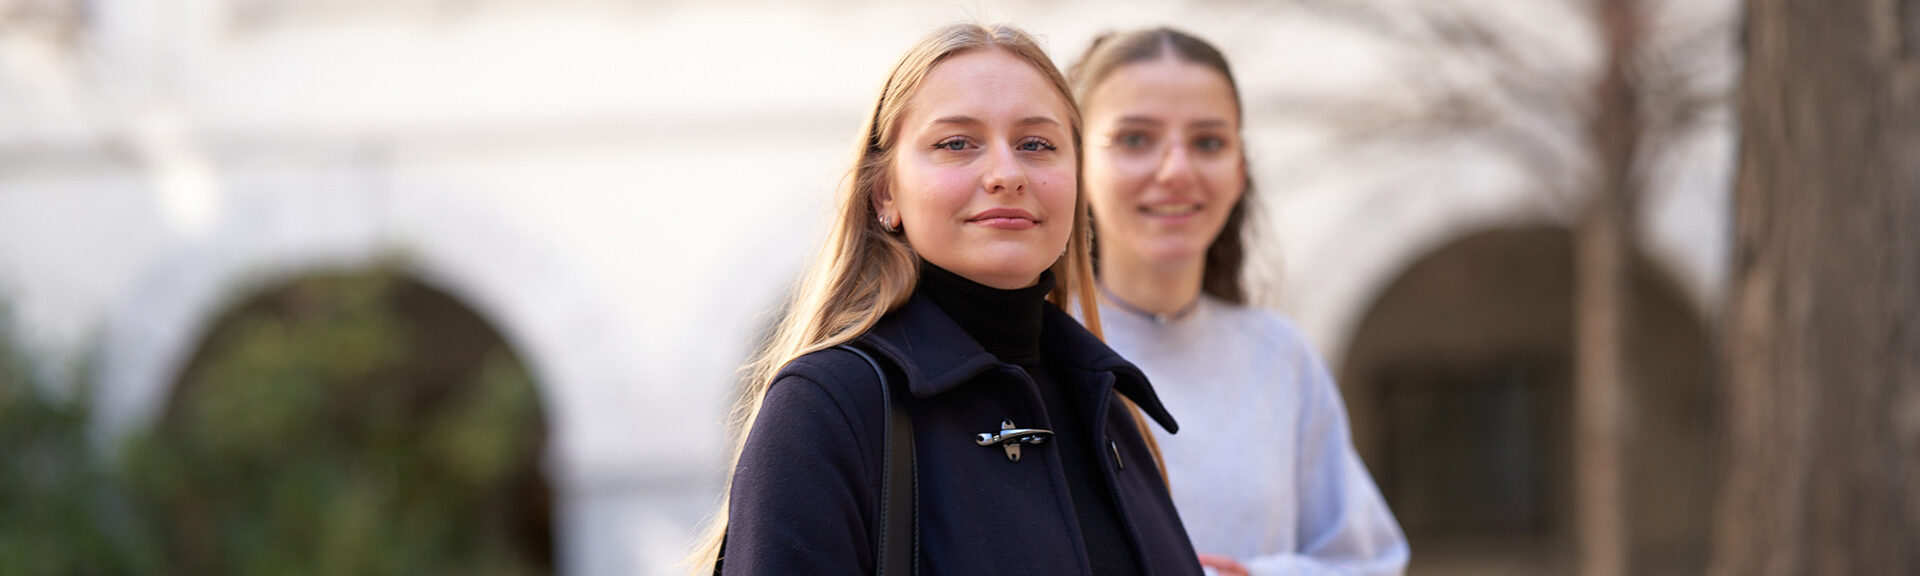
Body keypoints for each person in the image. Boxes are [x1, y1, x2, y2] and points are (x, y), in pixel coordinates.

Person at [686, 23, 1205, 576]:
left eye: (1037, 144)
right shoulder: (827, 409)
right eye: (956, 143)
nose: (1007, 173)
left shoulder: (1109, 404)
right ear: (886, 193)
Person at [1068, 27, 1411, 576]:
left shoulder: (1280, 358)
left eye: (1207, 142)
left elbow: (1370, 561)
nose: (1176, 170)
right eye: (1135, 139)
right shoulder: (1034, 349)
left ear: (1239, 171)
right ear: (1077, 165)